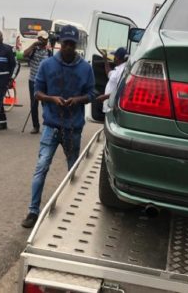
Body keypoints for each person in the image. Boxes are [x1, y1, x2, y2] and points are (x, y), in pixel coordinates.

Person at [21, 25, 95, 228]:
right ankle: (33, 211)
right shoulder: (47, 65)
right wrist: (52, 99)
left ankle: (73, 209)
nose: (69, 47)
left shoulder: (86, 68)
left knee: (73, 170)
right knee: (41, 167)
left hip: (73, 128)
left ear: (76, 45)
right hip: (51, 126)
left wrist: (77, 100)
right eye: (66, 43)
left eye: (72, 44)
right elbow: (37, 92)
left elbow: (91, 95)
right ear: (60, 43)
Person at [23, 30, 53, 134]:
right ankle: (36, 126)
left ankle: (47, 124)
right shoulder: (33, 50)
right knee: (34, 104)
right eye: (42, 39)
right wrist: (33, 45)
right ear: (38, 39)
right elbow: (24, 55)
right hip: (33, 81)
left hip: (45, 82)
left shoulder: (49, 52)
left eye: (46, 39)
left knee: (46, 103)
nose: (45, 41)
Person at [96, 47, 128, 113]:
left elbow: (121, 91)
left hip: (113, 107)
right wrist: (105, 59)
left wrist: (104, 97)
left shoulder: (122, 70)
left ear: (118, 58)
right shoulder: (118, 69)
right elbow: (109, 73)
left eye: (114, 56)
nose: (113, 58)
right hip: (109, 106)